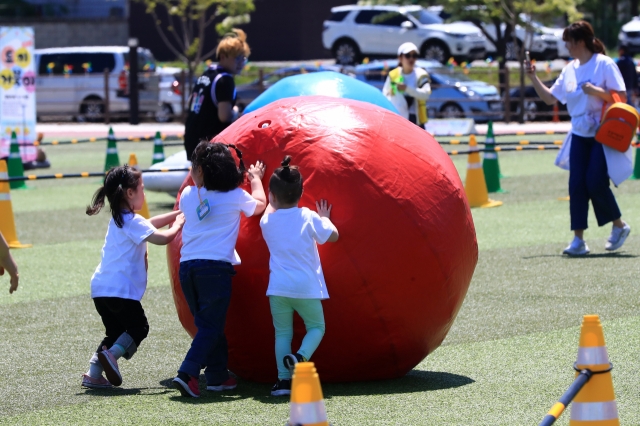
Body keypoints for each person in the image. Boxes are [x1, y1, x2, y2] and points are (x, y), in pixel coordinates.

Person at [525, 21, 631, 256]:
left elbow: (621, 98)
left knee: (595, 181)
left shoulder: (603, 64)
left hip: (603, 133)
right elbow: (551, 99)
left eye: (568, 42)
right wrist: (533, 78)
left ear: (580, 42)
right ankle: (578, 240)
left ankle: (619, 226)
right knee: (576, 185)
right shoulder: (570, 68)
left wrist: (596, 92)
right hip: (579, 134)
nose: (566, 47)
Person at [172, 141, 266, 398]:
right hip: (214, 270)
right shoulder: (235, 196)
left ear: (200, 171)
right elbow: (259, 204)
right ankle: (187, 372)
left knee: (208, 325)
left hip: (187, 268)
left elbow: (195, 190)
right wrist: (255, 178)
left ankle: (216, 375)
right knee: (211, 327)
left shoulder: (189, 195)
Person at [83, 165, 185, 389]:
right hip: (120, 291)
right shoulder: (133, 222)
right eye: (142, 189)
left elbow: (150, 223)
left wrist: (177, 212)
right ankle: (111, 357)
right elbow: (162, 238)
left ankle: (93, 373)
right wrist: (177, 226)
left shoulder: (120, 220)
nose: (144, 193)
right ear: (130, 193)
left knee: (115, 333)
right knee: (139, 327)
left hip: (101, 289)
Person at [260, 156, 339, 396]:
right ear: (301, 193)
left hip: (278, 289)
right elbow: (333, 235)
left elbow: (270, 207)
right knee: (316, 327)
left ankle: (283, 382)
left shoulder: (267, 221)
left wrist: (257, 180)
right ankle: (300, 356)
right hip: (306, 287)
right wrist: (324, 217)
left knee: (282, 333)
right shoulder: (307, 216)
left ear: (271, 196)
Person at [183, 29, 250, 161]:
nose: (241, 63)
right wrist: (236, 112)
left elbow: (190, 102)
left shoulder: (206, 74)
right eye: (237, 58)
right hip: (209, 145)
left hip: (192, 141)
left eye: (243, 58)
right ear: (223, 57)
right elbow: (224, 116)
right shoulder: (225, 80)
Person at [383, 42, 431, 126]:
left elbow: (426, 94)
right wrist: (390, 93)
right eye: (408, 55)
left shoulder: (421, 74)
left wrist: (406, 88)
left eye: (414, 55)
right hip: (398, 119)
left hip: (416, 119)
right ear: (400, 58)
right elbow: (384, 96)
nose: (411, 59)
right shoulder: (393, 74)